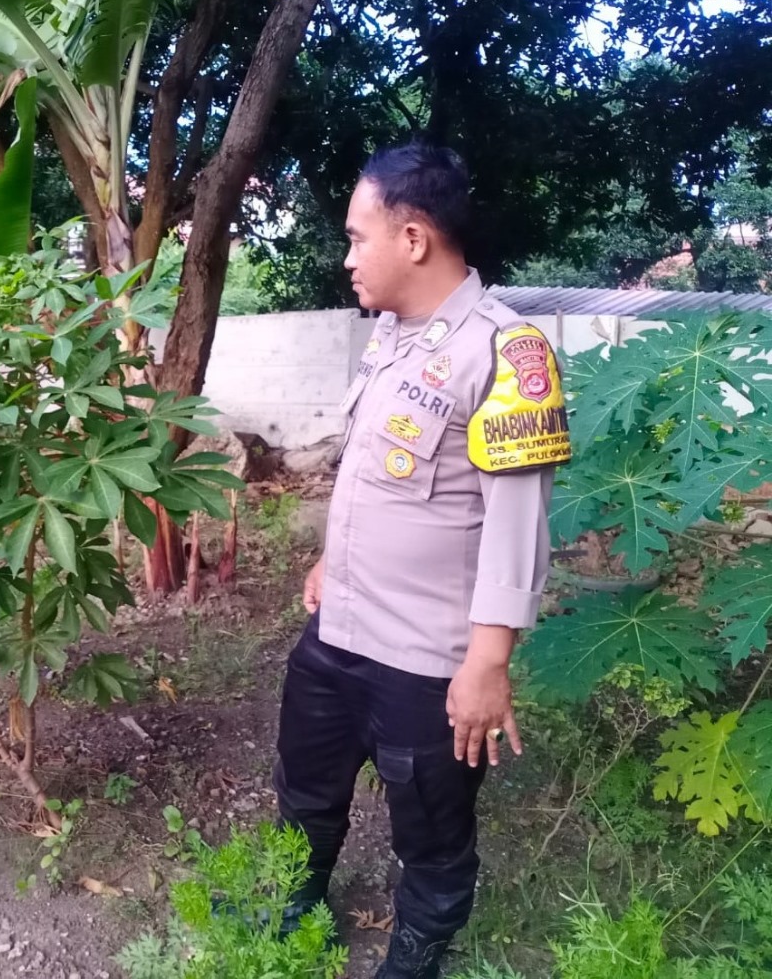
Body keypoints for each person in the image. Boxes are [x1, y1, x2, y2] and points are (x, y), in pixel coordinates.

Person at [273, 142, 570, 978]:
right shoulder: (390, 337)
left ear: (412, 238)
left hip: (427, 656)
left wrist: (488, 662)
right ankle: (292, 903)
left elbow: (518, 521)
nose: (347, 257)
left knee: (432, 827)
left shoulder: (508, 353)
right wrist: (331, 559)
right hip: (340, 628)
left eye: (356, 237)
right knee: (305, 784)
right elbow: (370, 469)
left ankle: (415, 954)